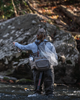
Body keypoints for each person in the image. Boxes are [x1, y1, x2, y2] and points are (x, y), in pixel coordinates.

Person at [13, 28, 58, 97]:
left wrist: (16, 44)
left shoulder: (33, 45)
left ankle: (38, 92)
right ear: (45, 36)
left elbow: (22, 47)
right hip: (48, 68)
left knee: (37, 90)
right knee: (50, 92)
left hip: (37, 67)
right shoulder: (50, 45)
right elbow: (55, 57)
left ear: (37, 36)